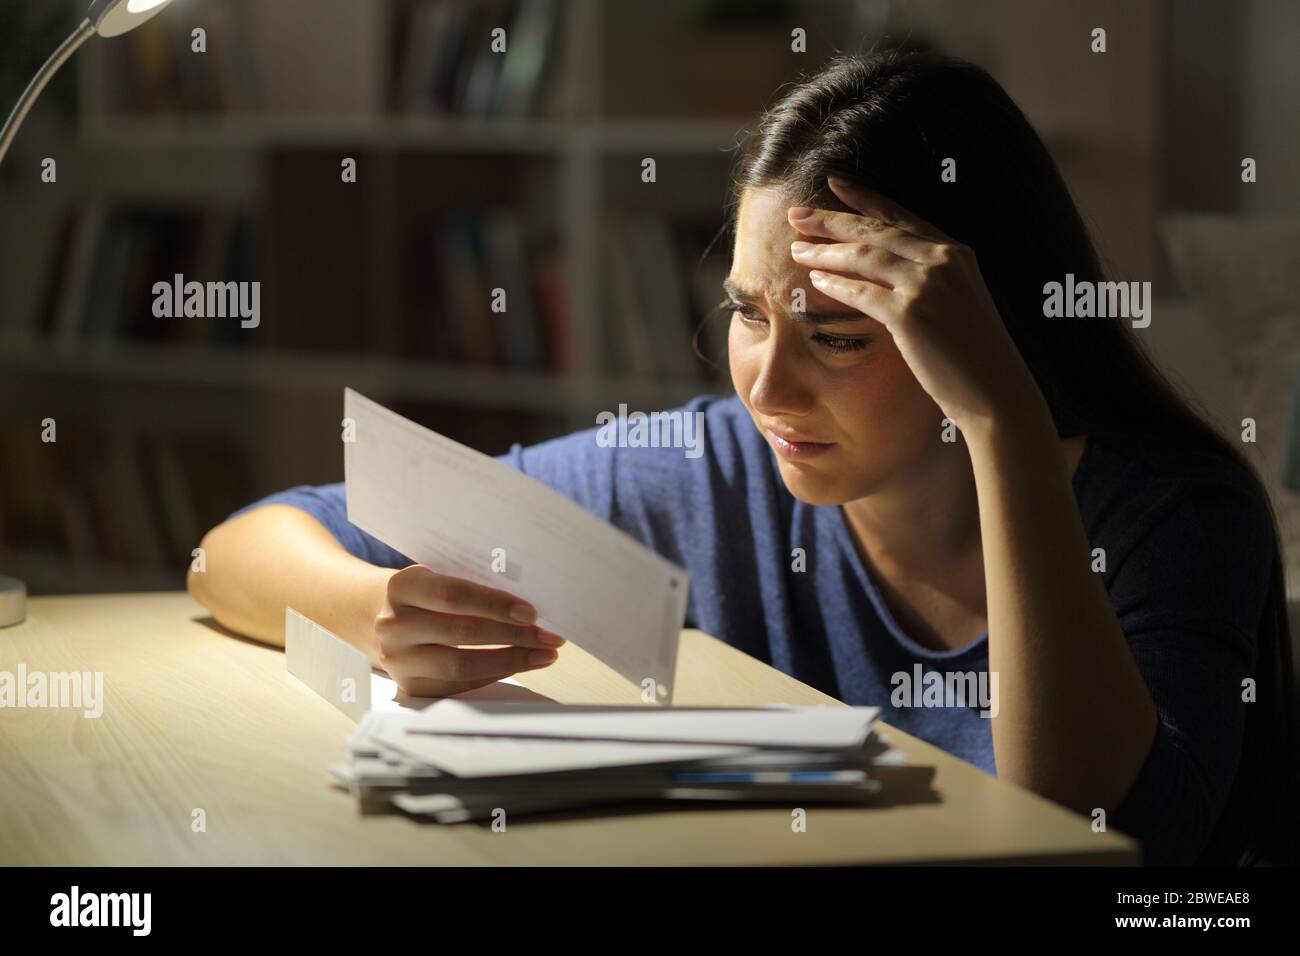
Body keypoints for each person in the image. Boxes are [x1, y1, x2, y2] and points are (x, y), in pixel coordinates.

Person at [189, 50, 1296, 866]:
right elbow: (235, 550)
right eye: (749, 313)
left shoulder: (1175, 515)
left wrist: (999, 416)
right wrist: (375, 605)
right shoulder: (707, 471)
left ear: (979, 329)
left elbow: (1090, 828)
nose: (765, 387)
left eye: (837, 334)